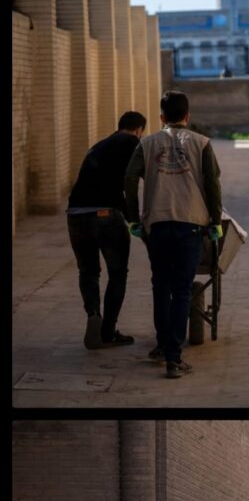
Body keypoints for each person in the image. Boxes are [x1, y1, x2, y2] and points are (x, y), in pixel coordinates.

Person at [124, 90, 222, 379]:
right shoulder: (202, 144)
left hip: (157, 225)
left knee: (160, 287)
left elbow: (129, 180)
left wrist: (133, 219)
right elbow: (213, 185)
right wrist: (215, 221)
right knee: (182, 291)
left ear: (161, 117)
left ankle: (162, 345)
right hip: (190, 226)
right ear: (188, 116)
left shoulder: (146, 144)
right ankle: (173, 357)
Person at [66, 112, 147, 349]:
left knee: (88, 272)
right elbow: (133, 181)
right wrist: (135, 219)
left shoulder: (99, 146)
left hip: (76, 214)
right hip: (105, 215)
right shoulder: (133, 143)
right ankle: (108, 331)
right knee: (117, 273)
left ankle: (93, 314)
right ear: (139, 129)